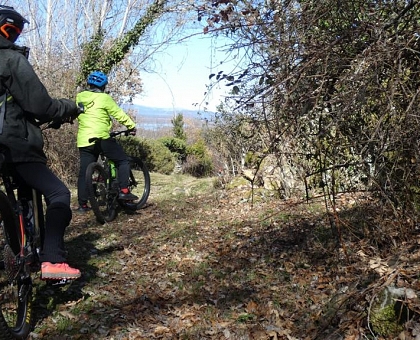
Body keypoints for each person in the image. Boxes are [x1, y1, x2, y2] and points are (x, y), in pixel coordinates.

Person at [0, 5, 81, 279]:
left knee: (22, 197)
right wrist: (67, 108)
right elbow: (41, 106)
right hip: (13, 145)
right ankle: (53, 259)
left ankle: (28, 252)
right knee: (59, 194)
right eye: (13, 31)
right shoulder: (10, 60)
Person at [75, 71, 138, 212]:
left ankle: (83, 205)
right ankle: (124, 190)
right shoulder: (104, 98)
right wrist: (131, 126)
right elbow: (118, 113)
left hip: (84, 140)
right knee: (122, 160)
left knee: (84, 172)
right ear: (103, 86)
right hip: (101, 137)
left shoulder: (80, 97)